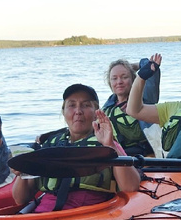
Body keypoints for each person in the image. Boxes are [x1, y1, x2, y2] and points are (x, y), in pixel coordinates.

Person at [11, 84, 141, 212]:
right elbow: (20, 199)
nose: (78, 111)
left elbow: (130, 187)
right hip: (44, 214)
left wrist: (110, 145)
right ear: (63, 112)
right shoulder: (50, 143)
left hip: (88, 215)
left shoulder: (107, 142)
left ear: (96, 113)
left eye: (86, 105)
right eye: (72, 105)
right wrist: (22, 169)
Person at [101, 59, 158, 157]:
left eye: (124, 77)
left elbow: (151, 66)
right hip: (121, 159)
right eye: (114, 78)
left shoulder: (145, 99)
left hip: (147, 158)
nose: (119, 82)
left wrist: (132, 67)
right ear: (110, 83)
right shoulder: (107, 108)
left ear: (133, 80)